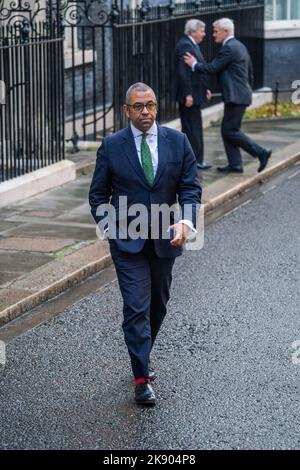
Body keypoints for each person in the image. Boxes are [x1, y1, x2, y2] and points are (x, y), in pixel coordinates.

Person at [89, 83, 201, 406]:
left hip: (165, 240)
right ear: (127, 111)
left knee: (158, 304)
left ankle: (142, 349)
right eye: (138, 107)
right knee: (136, 306)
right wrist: (110, 227)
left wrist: (186, 222)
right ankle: (141, 378)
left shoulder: (177, 142)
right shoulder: (112, 146)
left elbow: (190, 188)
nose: (146, 112)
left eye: (150, 105)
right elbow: (98, 195)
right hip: (127, 243)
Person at [184, 18, 272, 173]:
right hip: (239, 95)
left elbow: (213, 68)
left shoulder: (229, 48)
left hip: (236, 97)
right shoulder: (239, 46)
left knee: (230, 131)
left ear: (226, 32)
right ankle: (235, 164)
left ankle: (260, 152)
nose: (213, 34)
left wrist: (194, 65)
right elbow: (249, 73)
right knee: (229, 130)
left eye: (216, 31)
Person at [175, 18, 212, 170]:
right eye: (202, 31)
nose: (204, 34)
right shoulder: (185, 45)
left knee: (194, 127)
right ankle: (194, 161)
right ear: (192, 31)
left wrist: (205, 89)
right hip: (190, 97)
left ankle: (195, 159)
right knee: (192, 128)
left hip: (196, 94)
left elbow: (197, 71)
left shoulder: (191, 44)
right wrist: (188, 94)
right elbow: (183, 72)